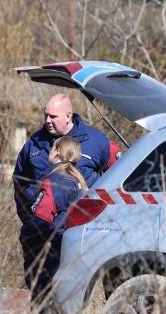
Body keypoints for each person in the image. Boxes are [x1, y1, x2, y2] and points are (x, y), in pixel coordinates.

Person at [20, 136, 87, 314]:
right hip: (70, 250)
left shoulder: (55, 180)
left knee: (43, 304)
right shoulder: (78, 182)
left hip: (46, 252)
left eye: (51, 148)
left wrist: (25, 236)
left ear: (57, 152)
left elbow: (40, 219)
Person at [13, 93, 118, 222]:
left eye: (53, 117)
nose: (47, 121)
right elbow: (19, 182)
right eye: (46, 115)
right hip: (41, 227)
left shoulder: (97, 141)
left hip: (83, 225)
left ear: (68, 116)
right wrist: (27, 216)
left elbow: (119, 174)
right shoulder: (33, 144)